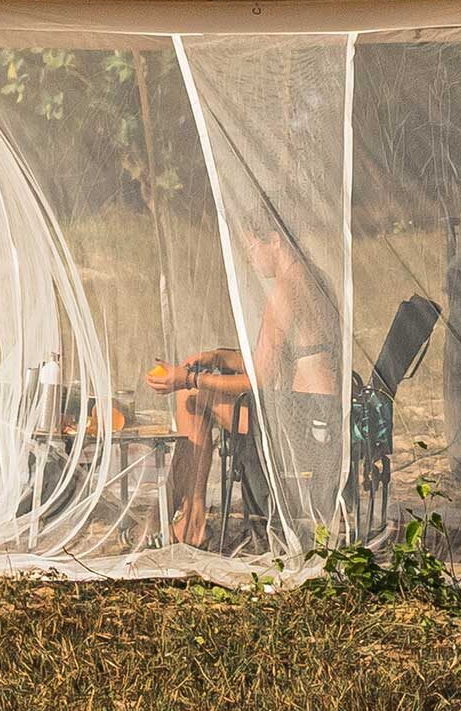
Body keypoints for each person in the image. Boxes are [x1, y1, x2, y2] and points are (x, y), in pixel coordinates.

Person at [146, 222, 341, 547]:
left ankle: (190, 521)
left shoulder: (284, 291)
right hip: (321, 408)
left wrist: (188, 378)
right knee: (194, 395)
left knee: (191, 398)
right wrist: (217, 358)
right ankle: (186, 518)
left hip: (299, 420)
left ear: (275, 241)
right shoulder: (314, 278)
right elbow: (271, 358)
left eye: (251, 247)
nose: (250, 258)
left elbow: (259, 377)